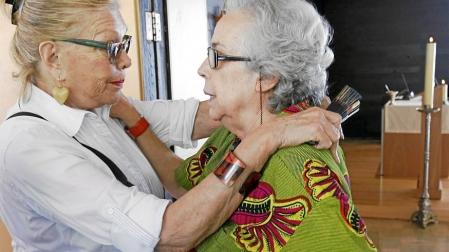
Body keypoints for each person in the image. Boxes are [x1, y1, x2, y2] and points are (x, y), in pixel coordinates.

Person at [0, 0, 343, 251]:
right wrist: (264, 138)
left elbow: (201, 115)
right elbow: (169, 233)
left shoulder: (108, 106)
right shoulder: (28, 145)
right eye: (110, 48)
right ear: (53, 57)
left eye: (125, 44)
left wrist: (292, 97)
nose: (126, 60)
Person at [111, 0, 377, 251]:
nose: (202, 68)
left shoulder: (298, 171)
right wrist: (132, 118)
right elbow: (184, 184)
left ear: (267, 75)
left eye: (218, 56)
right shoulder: (236, 131)